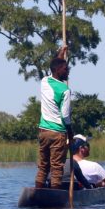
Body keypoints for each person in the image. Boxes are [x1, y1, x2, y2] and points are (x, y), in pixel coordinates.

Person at [35, 48, 72, 189]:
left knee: (43, 166)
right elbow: (66, 115)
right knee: (57, 167)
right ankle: (54, 199)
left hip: (44, 132)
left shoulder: (44, 82)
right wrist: (70, 132)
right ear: (57, 70)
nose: (68, 71)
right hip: (58, 133)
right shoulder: (65, 90)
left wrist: (62, 52)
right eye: (65, 69)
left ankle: (38, 191)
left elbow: (54, 63)